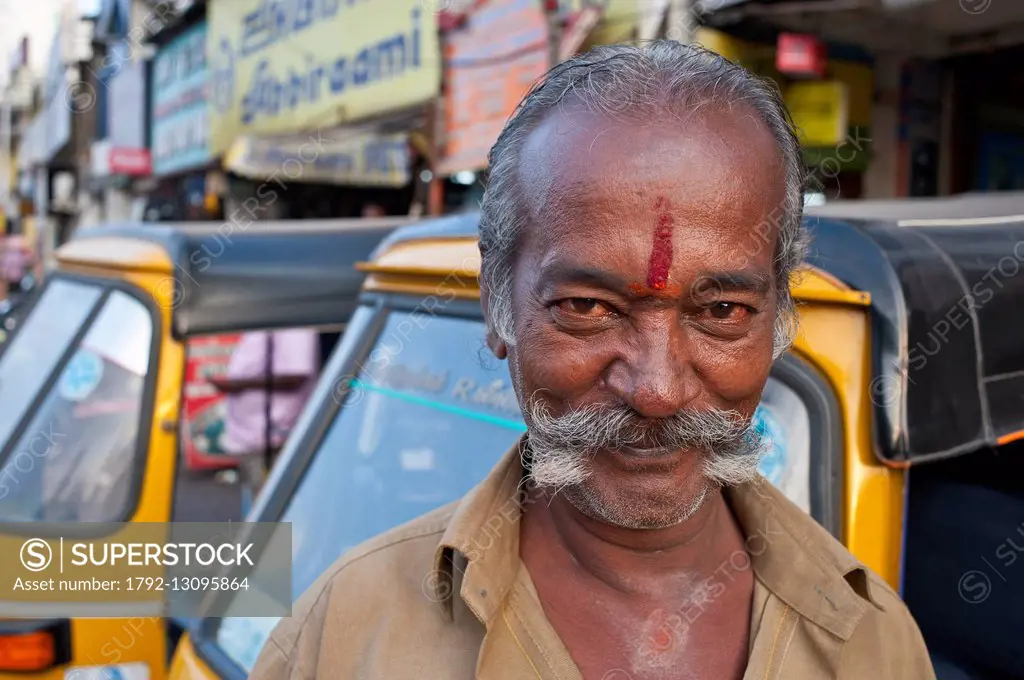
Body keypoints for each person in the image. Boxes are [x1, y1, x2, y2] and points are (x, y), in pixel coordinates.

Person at [249, 42, 935, 680]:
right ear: (496, 303)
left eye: (721, 311)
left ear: (780, 316)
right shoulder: (343, 632)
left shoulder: (874, 645)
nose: (658, 389)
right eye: (587, 307)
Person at [209, 329, 319, 500]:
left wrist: (239, 385)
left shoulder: (294, 323)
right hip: (254, 440)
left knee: (273, 513)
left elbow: (296, 376)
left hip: (275, 439)